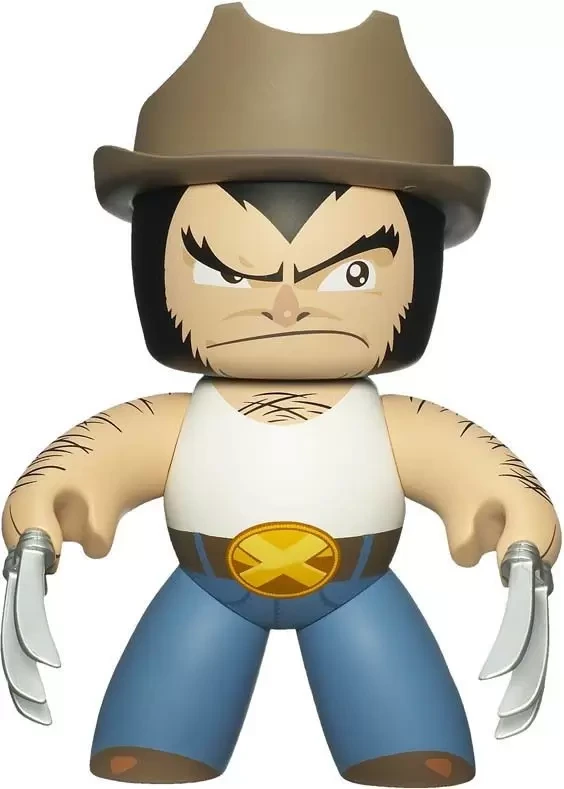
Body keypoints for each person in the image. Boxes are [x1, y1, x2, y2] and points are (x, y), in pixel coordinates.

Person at [1, 4, 559, 787]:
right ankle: (161, 733)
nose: (287, 307)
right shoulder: (174, 421)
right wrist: (43, 515)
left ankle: (402, 737)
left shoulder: (395, 424)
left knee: (410, 739)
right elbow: (94, 461)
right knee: (152, 736)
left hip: (358, 589)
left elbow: (475, 470)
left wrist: (520, 532)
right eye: (228, 270)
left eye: (351, 271)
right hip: (210, 586)